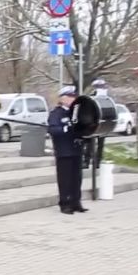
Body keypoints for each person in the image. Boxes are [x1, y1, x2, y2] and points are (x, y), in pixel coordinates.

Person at [47, 86, 88, 214]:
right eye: (70, 97)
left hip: (76, 149)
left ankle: (76, 202)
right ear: (62, 98)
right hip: (64, 150)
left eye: (74, 97)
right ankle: (65, 203)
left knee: (77, 178)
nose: (72, 99)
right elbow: (53, 130)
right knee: (65, 179)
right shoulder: (56, 113)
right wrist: (66, 129)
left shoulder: (75, 112)